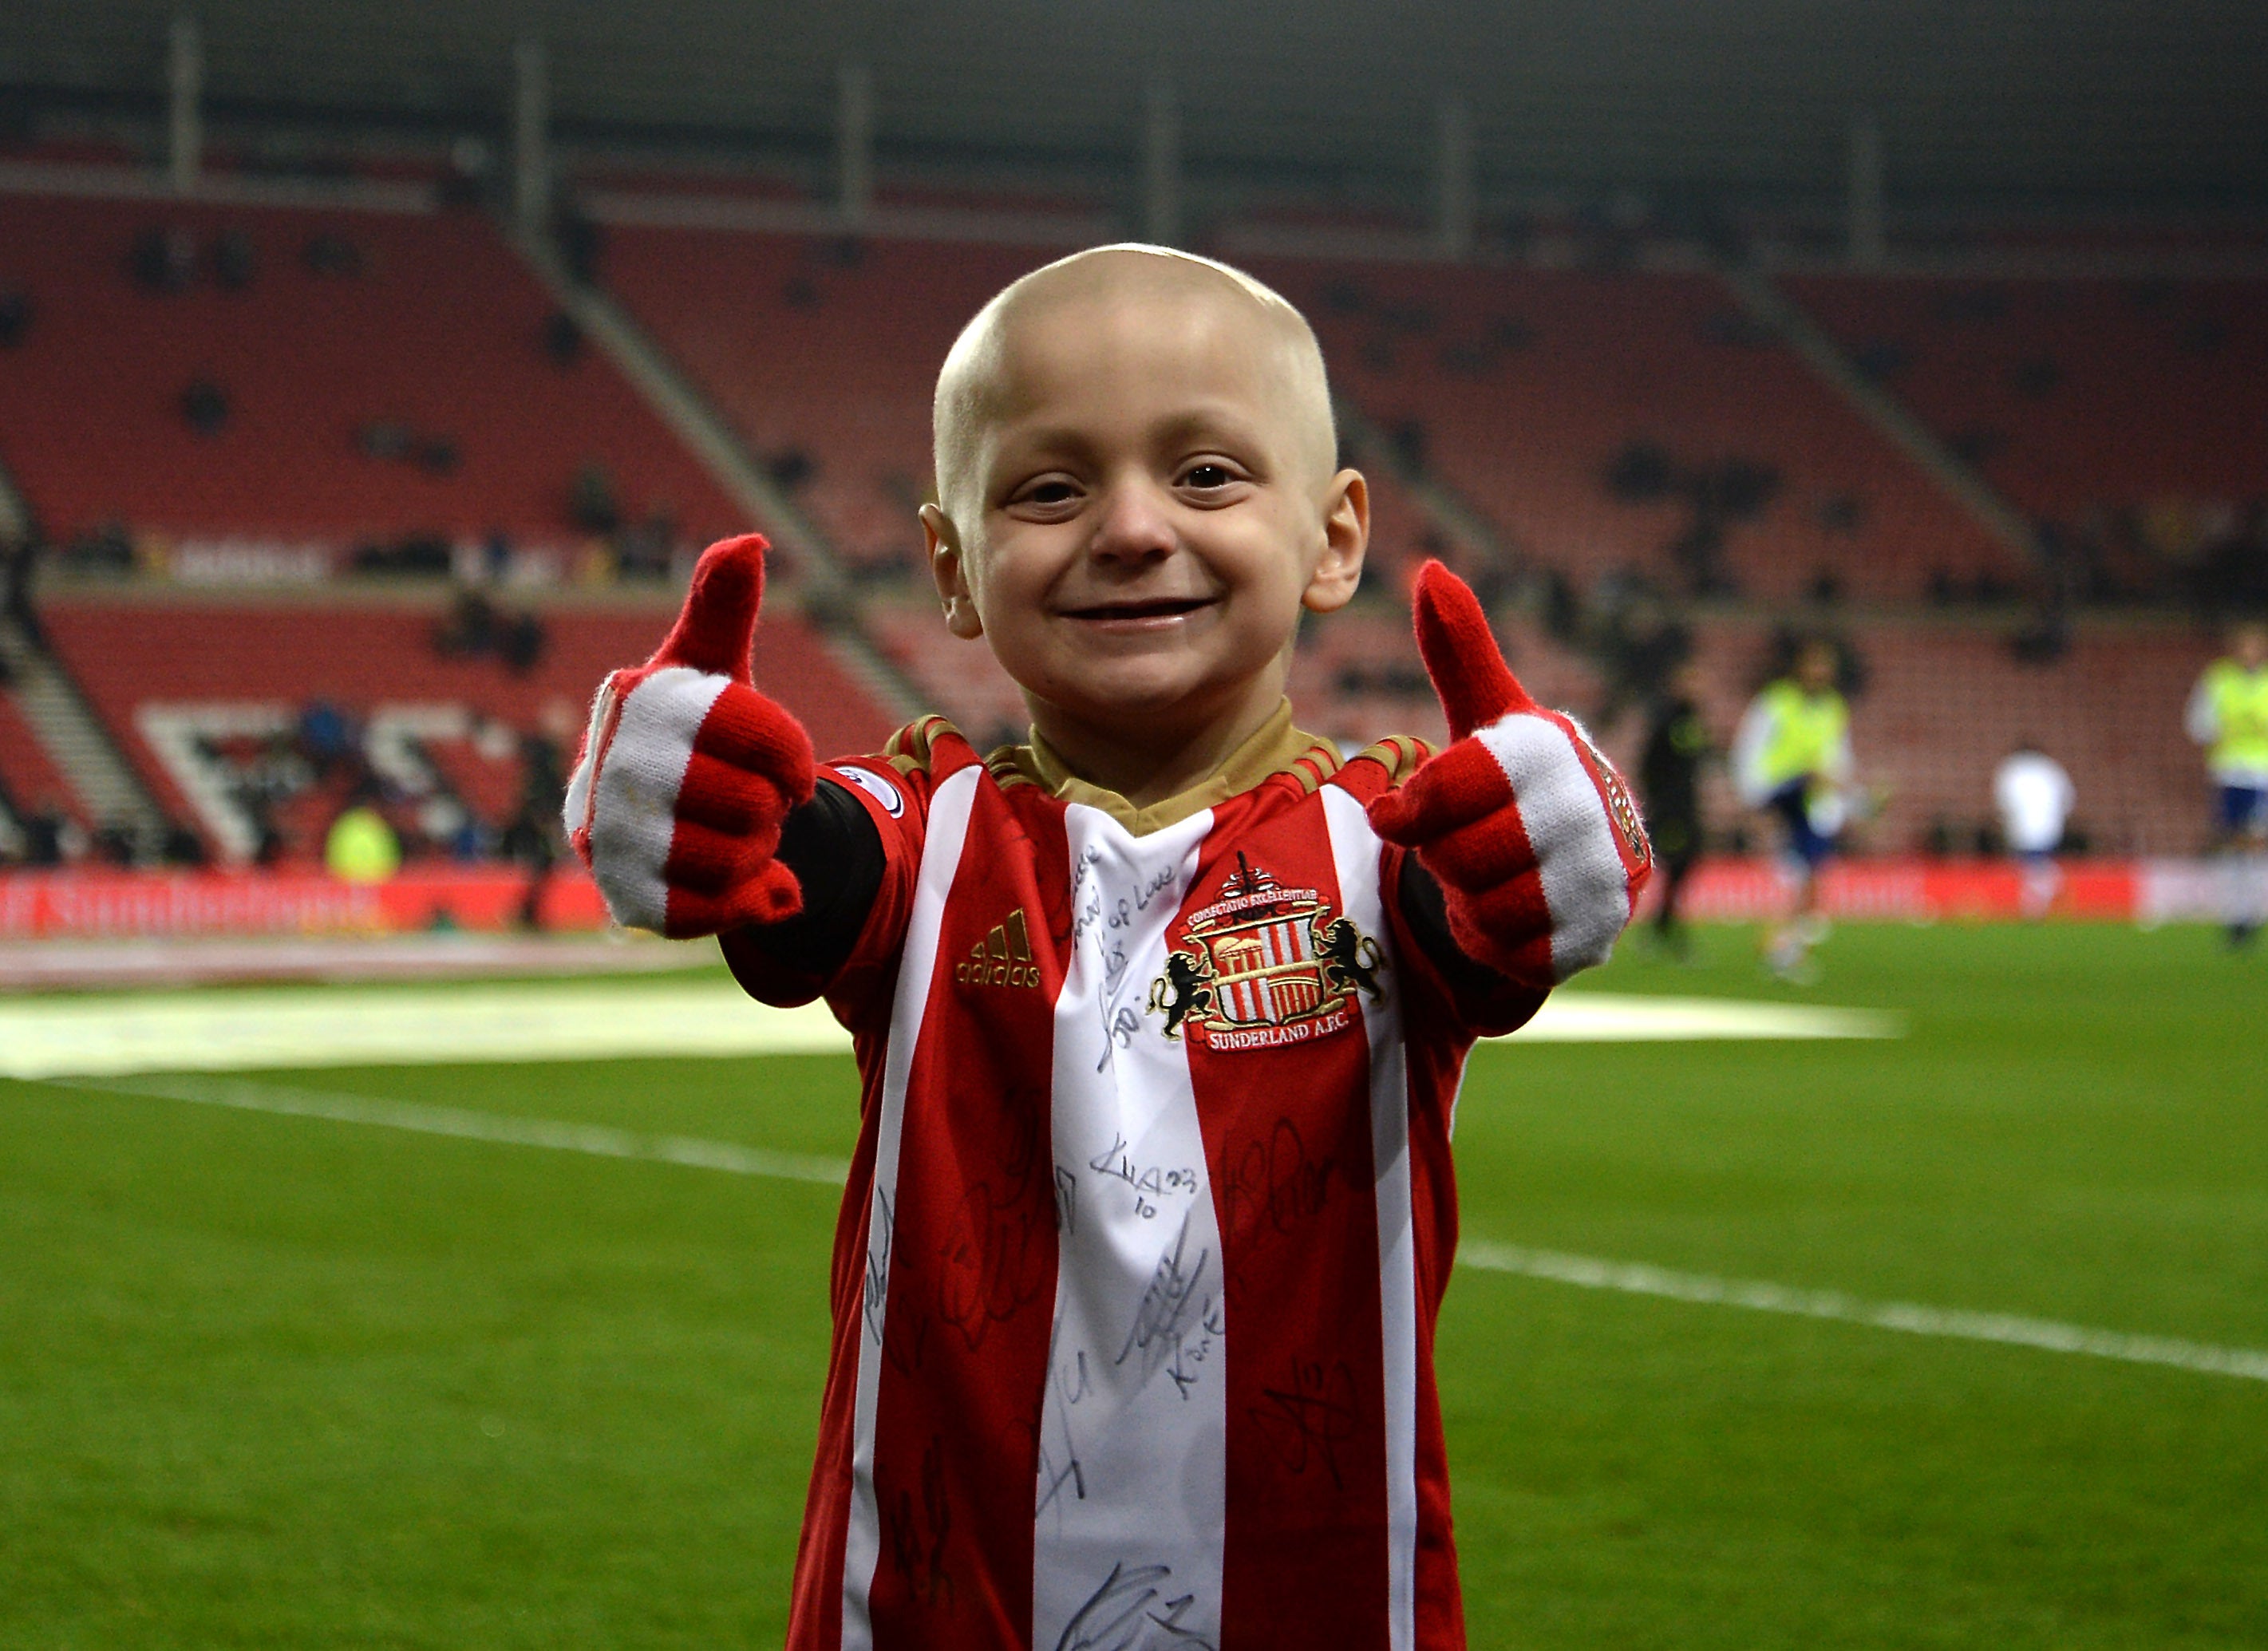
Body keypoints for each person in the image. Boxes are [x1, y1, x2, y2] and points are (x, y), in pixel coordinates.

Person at [565, 246, 1652, 1651]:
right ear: (952, 565)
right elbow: (798, 867)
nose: (1132, 527)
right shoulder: (925, 826)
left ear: (1334, 538)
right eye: (1048, 486)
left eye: (1205, 474)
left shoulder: (1395, 847)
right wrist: (685, 801)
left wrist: (1559, 844)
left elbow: (1497, 920)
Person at [1733, 638, 1852, 980]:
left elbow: (1837, 758)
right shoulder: (1775, 702)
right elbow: (1748, 750)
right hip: (1778, 794)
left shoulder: (1833, 708)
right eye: (1814, 665)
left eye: (1825, 667)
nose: (1819, 673)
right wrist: (1753, 801)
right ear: (1800, 668)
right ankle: (1781, 947)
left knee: (1811, 875)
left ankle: (1784, 947)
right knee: (1799, 874)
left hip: (1811, 802)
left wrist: (1842, 798)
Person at [2185, 619, 2268, 944]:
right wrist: (2221, 729)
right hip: (2229, 772)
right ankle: (2235, 915)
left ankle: (2254, 913)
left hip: (2263, 774)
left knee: (2255, 843)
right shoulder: (2218, 679)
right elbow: (2197, 724)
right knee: (2233, 845)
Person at [1638, 662, 1712, 954]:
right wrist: (1660, 800)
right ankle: (1659, 929)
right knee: (1672, 862)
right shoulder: (1665, 719)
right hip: (1670, 809)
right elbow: (1648, 763)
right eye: (1690, 681)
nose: (1696, 688)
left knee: (1686, 862)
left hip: (1689, 807)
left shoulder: (1694, 720)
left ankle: (1664, 925)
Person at [1992, 740, 2074, 919]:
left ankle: (2035, 904)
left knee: (2031, 865)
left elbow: (2003, 801)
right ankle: (2043, 895)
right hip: (2050, 826)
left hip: (2020, 827)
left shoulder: (2011, 769)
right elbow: (2068, 799)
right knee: (2037, 863)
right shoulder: (2052, 769)